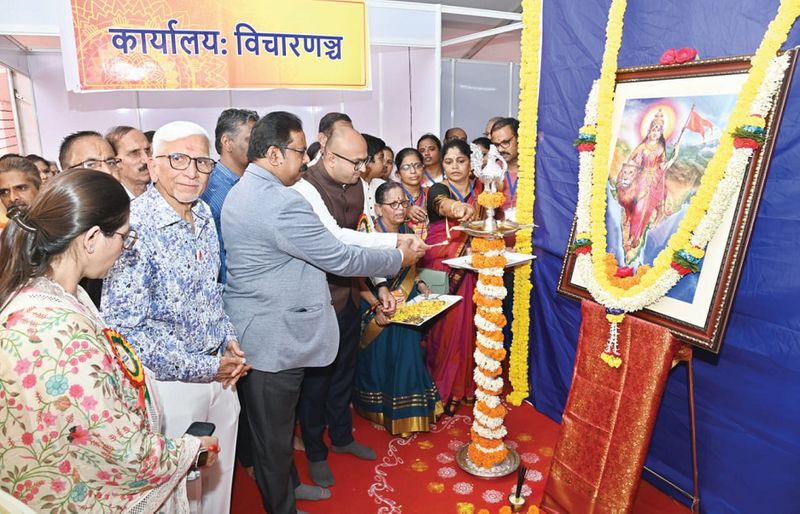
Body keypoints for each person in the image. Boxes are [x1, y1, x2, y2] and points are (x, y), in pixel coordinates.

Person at [221, 111, 410, 514]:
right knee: (273, 439)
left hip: (262, 325)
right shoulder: (279, 201)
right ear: (273, 153)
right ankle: (282, 506)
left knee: (273, 431)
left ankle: (287, 488)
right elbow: (337, 256)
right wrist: (396, 256)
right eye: (296, 151)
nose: (304, 160)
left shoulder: (248, 188)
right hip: (274, 336)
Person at [0, 169, 218, 512]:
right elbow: (117, 447)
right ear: (90, 239)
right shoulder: (60, 330)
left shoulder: (50, 294)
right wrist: (191, 450)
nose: (123, 249)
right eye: (123, 237)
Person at [102, 121, 248, 514]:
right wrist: (206, 367)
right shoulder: (132, 226)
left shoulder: (202, 214)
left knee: (219, 484)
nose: (191, 171)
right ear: (153, 164)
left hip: (220, 375)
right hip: (170, 388)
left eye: (201, 162)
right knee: (176, 495)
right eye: (178, 159)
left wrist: (229, 340)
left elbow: (211, 291)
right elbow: (125, 331)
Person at [298, 125, 411, 489]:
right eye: (357, 162)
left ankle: (343, 436)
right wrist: (396, 242)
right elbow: (337, 238)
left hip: (347, 295)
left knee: (344, 372)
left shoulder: (358, 185)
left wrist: (380, 288)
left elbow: (363, 240)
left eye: (366, 161)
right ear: (329, 157)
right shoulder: (304, 188)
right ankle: (316, 451)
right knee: (317, 382)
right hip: (316, 301)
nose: (364, 169)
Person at [200, 108, 260, 482]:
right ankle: (249, 460)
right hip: (228, 303)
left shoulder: (248, 183)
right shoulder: (212, 192)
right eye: (251, 138)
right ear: (226, 142)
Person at [354, 181, 443, 435]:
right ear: (378, 208)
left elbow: (411, 271)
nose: (400, 209)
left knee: (408, 351)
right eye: (393, 204)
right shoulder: (368, 232)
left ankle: (409, 412)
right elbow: (358, 276)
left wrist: (423, 286)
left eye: (404, 202)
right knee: (381, 358)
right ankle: (379, 408)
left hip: (406, 301)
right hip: (373, 302)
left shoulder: (408, 230)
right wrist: (376, 308)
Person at [420, 138, 482, 415]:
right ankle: (440, 388)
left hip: (474, 267)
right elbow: (441, 204)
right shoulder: (438, 188)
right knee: (444, 332)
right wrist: (459, 209)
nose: (455, 166)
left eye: (461, 160)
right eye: (448, 162)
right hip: (443, 268)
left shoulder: (482, 190)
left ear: (470, 163)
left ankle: (465, 386)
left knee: (471, 328)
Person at [58, 131, 123, 307]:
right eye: (91, 164)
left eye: (111, 162)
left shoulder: (128, 219)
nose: (107, 171)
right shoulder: (59, 228)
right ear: (65, 173)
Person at [201, 108, 259, 283]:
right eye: (250, 140)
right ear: (227, 142)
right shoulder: (209, 190)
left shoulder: (255, 182)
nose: (257, 146)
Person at [618, 109, 680, 263]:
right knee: (638, 209)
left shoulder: (660, 148)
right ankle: (630, 237)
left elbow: (663, 166)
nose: (655, 133)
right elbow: (632, 163)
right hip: (640, 180)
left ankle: (636, 239)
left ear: (661, 134)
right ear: (649, 131)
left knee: (646, 211)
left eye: (658, 131)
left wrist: (675, 155)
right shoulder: (642, 147)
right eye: (654, 130)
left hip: (655, 181)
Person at [106, 126, 153, 198]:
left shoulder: (164, 190)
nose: (146, 159)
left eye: (147, 150)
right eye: (134, 153)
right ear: (115, 162)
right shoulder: (111, 201)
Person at [490, 117, 520, 221]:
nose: (500, 149)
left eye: (506, 142)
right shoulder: (491, 171)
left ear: (519, 138)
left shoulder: (535, 169)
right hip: (500, 233)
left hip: (530, 234)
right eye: (496, 145)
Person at [395, 147, 429, 239]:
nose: (413, 171)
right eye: (406, 167)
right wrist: (406, 211)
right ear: (398, 173)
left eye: (418, 166)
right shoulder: (392, 197)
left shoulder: (430, 193)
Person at [361, 133, 387, 218]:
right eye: (381, 158)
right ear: (367, 159)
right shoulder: (351, 187)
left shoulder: (382, 185)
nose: (385, 164)